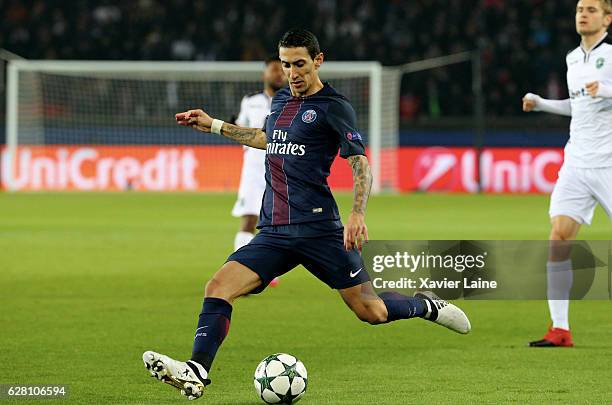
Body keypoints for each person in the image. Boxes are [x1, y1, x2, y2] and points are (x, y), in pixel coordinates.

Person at [143, 29, 471, 400]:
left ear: (317, 60)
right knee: (218, 287)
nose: (292, 73)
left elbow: (360, 161)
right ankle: (196, 370)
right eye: (285, 65)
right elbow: (269, 139)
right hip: (274, 231)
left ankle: (425, 305)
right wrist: (215, 125)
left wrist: (357, 213)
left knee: (372, 311)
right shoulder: (281, 100)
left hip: (320, 230)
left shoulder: (334, 106)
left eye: (299, 64)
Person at [523, 0, 612, 347]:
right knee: (559, 238)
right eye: (579, 8)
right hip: (576, 161)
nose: (583, 14)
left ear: (607, 17)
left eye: (591, 9)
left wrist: (606, 90)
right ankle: (559, 329)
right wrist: (542, 103)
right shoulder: (573, 59)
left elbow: (601, 95)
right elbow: (579, 105)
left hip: (609, 162)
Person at [231, 56, 286, 287]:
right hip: (253, 171)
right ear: (265, 74)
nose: (279, 74)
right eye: (274, 70)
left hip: (282, 170)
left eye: (282, 70)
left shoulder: (292, 101)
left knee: (278, 223)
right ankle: (239, 270)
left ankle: (268, 269)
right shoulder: (250, 101)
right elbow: (239, 127)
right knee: (249, 220)